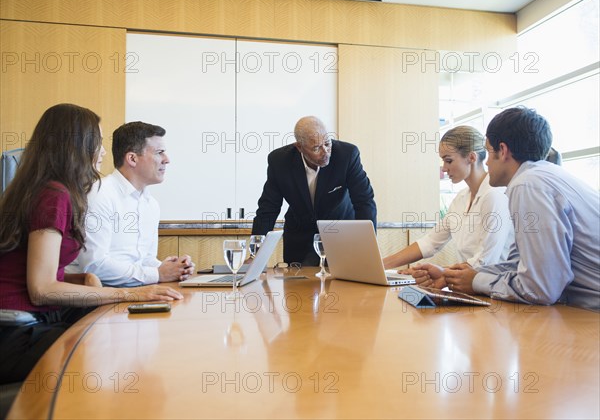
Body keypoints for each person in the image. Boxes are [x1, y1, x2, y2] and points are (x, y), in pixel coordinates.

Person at [0, 104, 183, 384]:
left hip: (24, 322)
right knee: (104, 354)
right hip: (15, 331)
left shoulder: (41, 188)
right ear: (76, 146)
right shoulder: (54, 196)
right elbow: (41, 289)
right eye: (97, 142)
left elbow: (35, 271)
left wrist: (80, 277)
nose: (103, 152)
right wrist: (128, 295)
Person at [419, 107, 600, 311]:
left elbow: (540, 289)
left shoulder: (528, 184)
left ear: (503, 151)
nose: (486, 163)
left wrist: (477, 282)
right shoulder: (542, 177)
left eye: (488, 152)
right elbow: (517, 263)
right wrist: (452, 276)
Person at [68, 122, 194, 287]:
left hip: (134, 292)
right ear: (132, 158)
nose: (167, 160)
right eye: (159, 153)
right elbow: (94, 266)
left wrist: (174, 268)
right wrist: (158, 273)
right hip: (100, 297)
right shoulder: (99, 194)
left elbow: (143, 260)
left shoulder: (151, 204)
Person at [383, 126, 514, 271]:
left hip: (494, 288)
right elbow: (431, 242)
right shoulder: (461, 198)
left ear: (471, 157)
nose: (444, 168)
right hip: (469, 285)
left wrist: (442, 273)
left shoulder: (495, 195)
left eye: (449, 161)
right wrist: (381, 265)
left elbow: (485, 261)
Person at [251, 116, 377, 265]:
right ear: (299, 147)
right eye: (316, 148)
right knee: (298, 287)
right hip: (299, 239)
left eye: (327, 144)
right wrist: (256, 254)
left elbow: (364, 201)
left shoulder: (347, 155)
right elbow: (268, 208)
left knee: (344, 286)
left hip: (341, 235)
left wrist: (367, 249)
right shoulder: (279, 161)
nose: (325, 153)